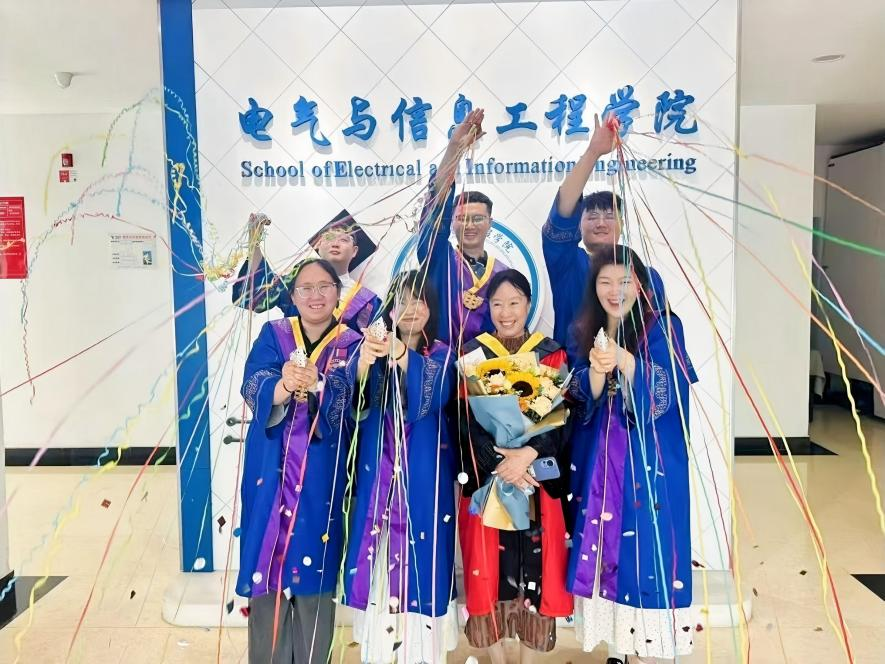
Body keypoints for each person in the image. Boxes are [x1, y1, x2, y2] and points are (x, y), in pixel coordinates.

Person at [566, 245, 697, 663]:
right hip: (601, 465)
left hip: (647, 464)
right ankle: (618, 650)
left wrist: (625, 360)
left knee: (644, 552)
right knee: (605, 548)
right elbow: (579, 398)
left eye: (624, 281)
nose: (614, 290)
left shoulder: (663, 326)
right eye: (604, 282)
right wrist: (596, 373)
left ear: (640, 285)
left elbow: (669, 390)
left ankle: (645, 650)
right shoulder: (586, 328)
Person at [236, 258, 363, 664]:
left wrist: (322, 385)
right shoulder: (273, 334)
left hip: (322, 473)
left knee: (315, 568)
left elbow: (354, 401)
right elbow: (253, 381)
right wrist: (283, 384)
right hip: (270, 469)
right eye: (305, 288)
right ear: (293, 295)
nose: (315, 295)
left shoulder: (352, 343)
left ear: (338, 293)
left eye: (324, 286)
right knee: (266, 567)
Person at [456, 269, 572, 663]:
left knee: (536, 570)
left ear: (528, 304)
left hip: (536, 481)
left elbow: (559, 417)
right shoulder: (472, 353)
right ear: (487, 308)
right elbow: (465, 420)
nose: (506, 312)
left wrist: (528, 456)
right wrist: (500, 463)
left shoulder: (550, 353)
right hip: (491, 480)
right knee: (488, 571)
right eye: (497, 304)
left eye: (514, 302)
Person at [342, 270, 459, 663]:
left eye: (418, 300)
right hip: (378, 473)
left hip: (425, 475)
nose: (410, 309)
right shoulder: (370, 348)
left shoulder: (441, 352)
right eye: (402, 301)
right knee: (376, 557)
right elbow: (352, 404)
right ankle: (379, 651)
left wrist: (401, 354)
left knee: (424, 556)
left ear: (431, 308)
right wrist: (364, 363)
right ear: (390, 308)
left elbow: (437, 393)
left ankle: (423, 653)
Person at [541, 115, 668, 350]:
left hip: (632, 370)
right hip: (576, 369)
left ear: (622, 224)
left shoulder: (648, 277)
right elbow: (563, 211)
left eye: (610, 216)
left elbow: (662, 339)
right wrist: (593, 153)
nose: (600, 223)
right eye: (591, 216)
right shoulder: (569, 264)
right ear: (578, 225)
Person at [417, 108, 509, 347]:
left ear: (490, 223)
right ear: (451, 221)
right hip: (441, 361)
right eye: (462, 218)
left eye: (478, 218)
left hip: (489, 365)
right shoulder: (440, 259)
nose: (469, 225)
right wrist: (455, 148)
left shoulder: (503, 273)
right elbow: (437, 204)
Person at [232, 211, 381, 330]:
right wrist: (254, 243)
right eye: (329, 237)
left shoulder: (367, 302)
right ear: (318, 246)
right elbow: (259, 295)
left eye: (344, 239)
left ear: (354, 251)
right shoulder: (297, 281)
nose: (335, 243)